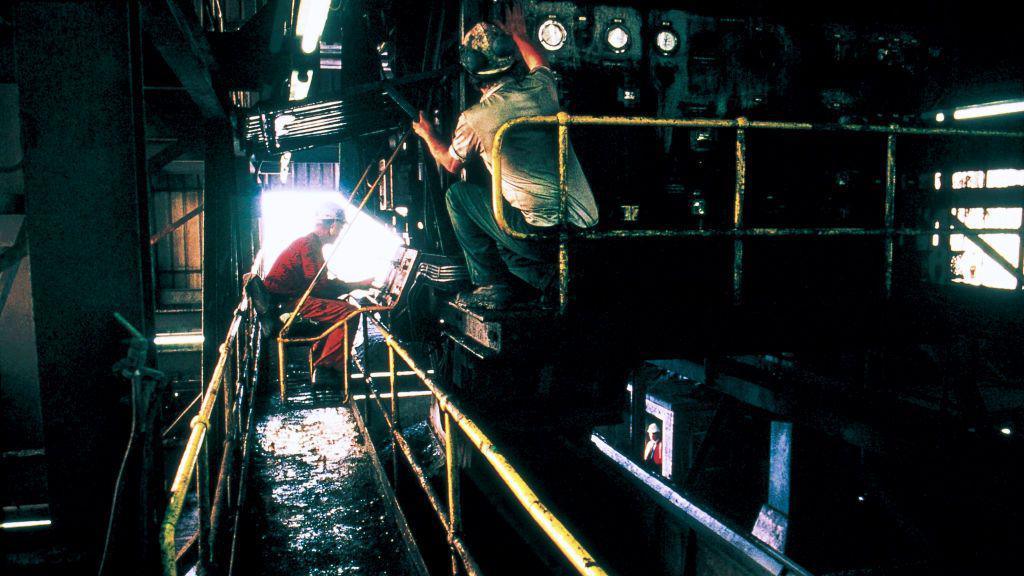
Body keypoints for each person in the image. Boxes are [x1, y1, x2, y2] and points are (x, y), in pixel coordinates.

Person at [411, 3, 598, 310]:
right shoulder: (543, 89)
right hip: (583, 228)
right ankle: (544, 282)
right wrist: (520, 34)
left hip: (537, 236)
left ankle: (492, 286)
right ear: (510, 60)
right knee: (499, 214)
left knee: (459, 197)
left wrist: (427, 133)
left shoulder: (475, 117)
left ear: (471, 70)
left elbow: (450, 163)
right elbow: (540, 63)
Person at [263, 202, 373, 377]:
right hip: (290, 304)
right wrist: (355, 285)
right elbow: (319, 287)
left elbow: (317, 284)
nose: (340, 231)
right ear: (333, 225)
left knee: (339, 306)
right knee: (350, 313)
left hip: (284, 302)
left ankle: (322, 359)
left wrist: (356, 285)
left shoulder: (309, 243)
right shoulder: (309, 245)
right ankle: (327, 369)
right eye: (341, 226)